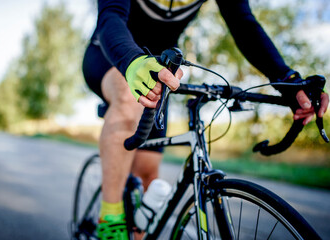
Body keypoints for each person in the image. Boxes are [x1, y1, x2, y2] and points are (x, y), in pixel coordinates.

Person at [82, 0, 329, 239]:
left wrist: (287, 80)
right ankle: (110, 222)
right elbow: (111, 15)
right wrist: (132, 61)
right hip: (109, 52)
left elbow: (243, 22)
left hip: (159, 67)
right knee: (126, 97)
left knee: (148, 176)